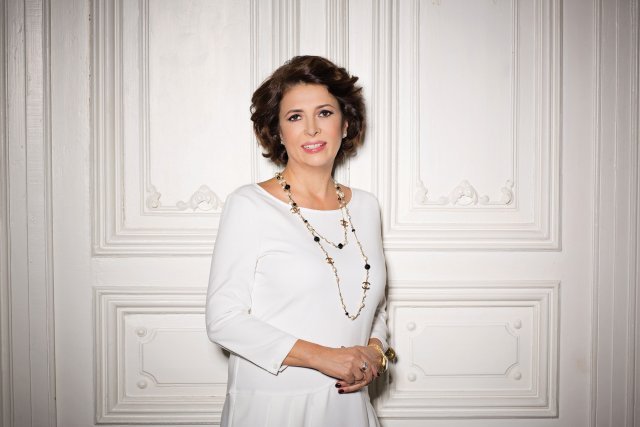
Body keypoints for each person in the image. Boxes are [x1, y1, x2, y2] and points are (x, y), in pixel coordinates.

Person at [205, 55, 389, 427]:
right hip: (273, 407)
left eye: (324, 113)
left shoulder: (367, 207)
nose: (311, 129)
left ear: (346, 123)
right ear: (277, 131)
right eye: (294, 117)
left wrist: (375, 352)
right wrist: (325, 358)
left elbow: (375, 307)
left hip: (349, 407)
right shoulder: (249, 204)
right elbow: (223, 320)